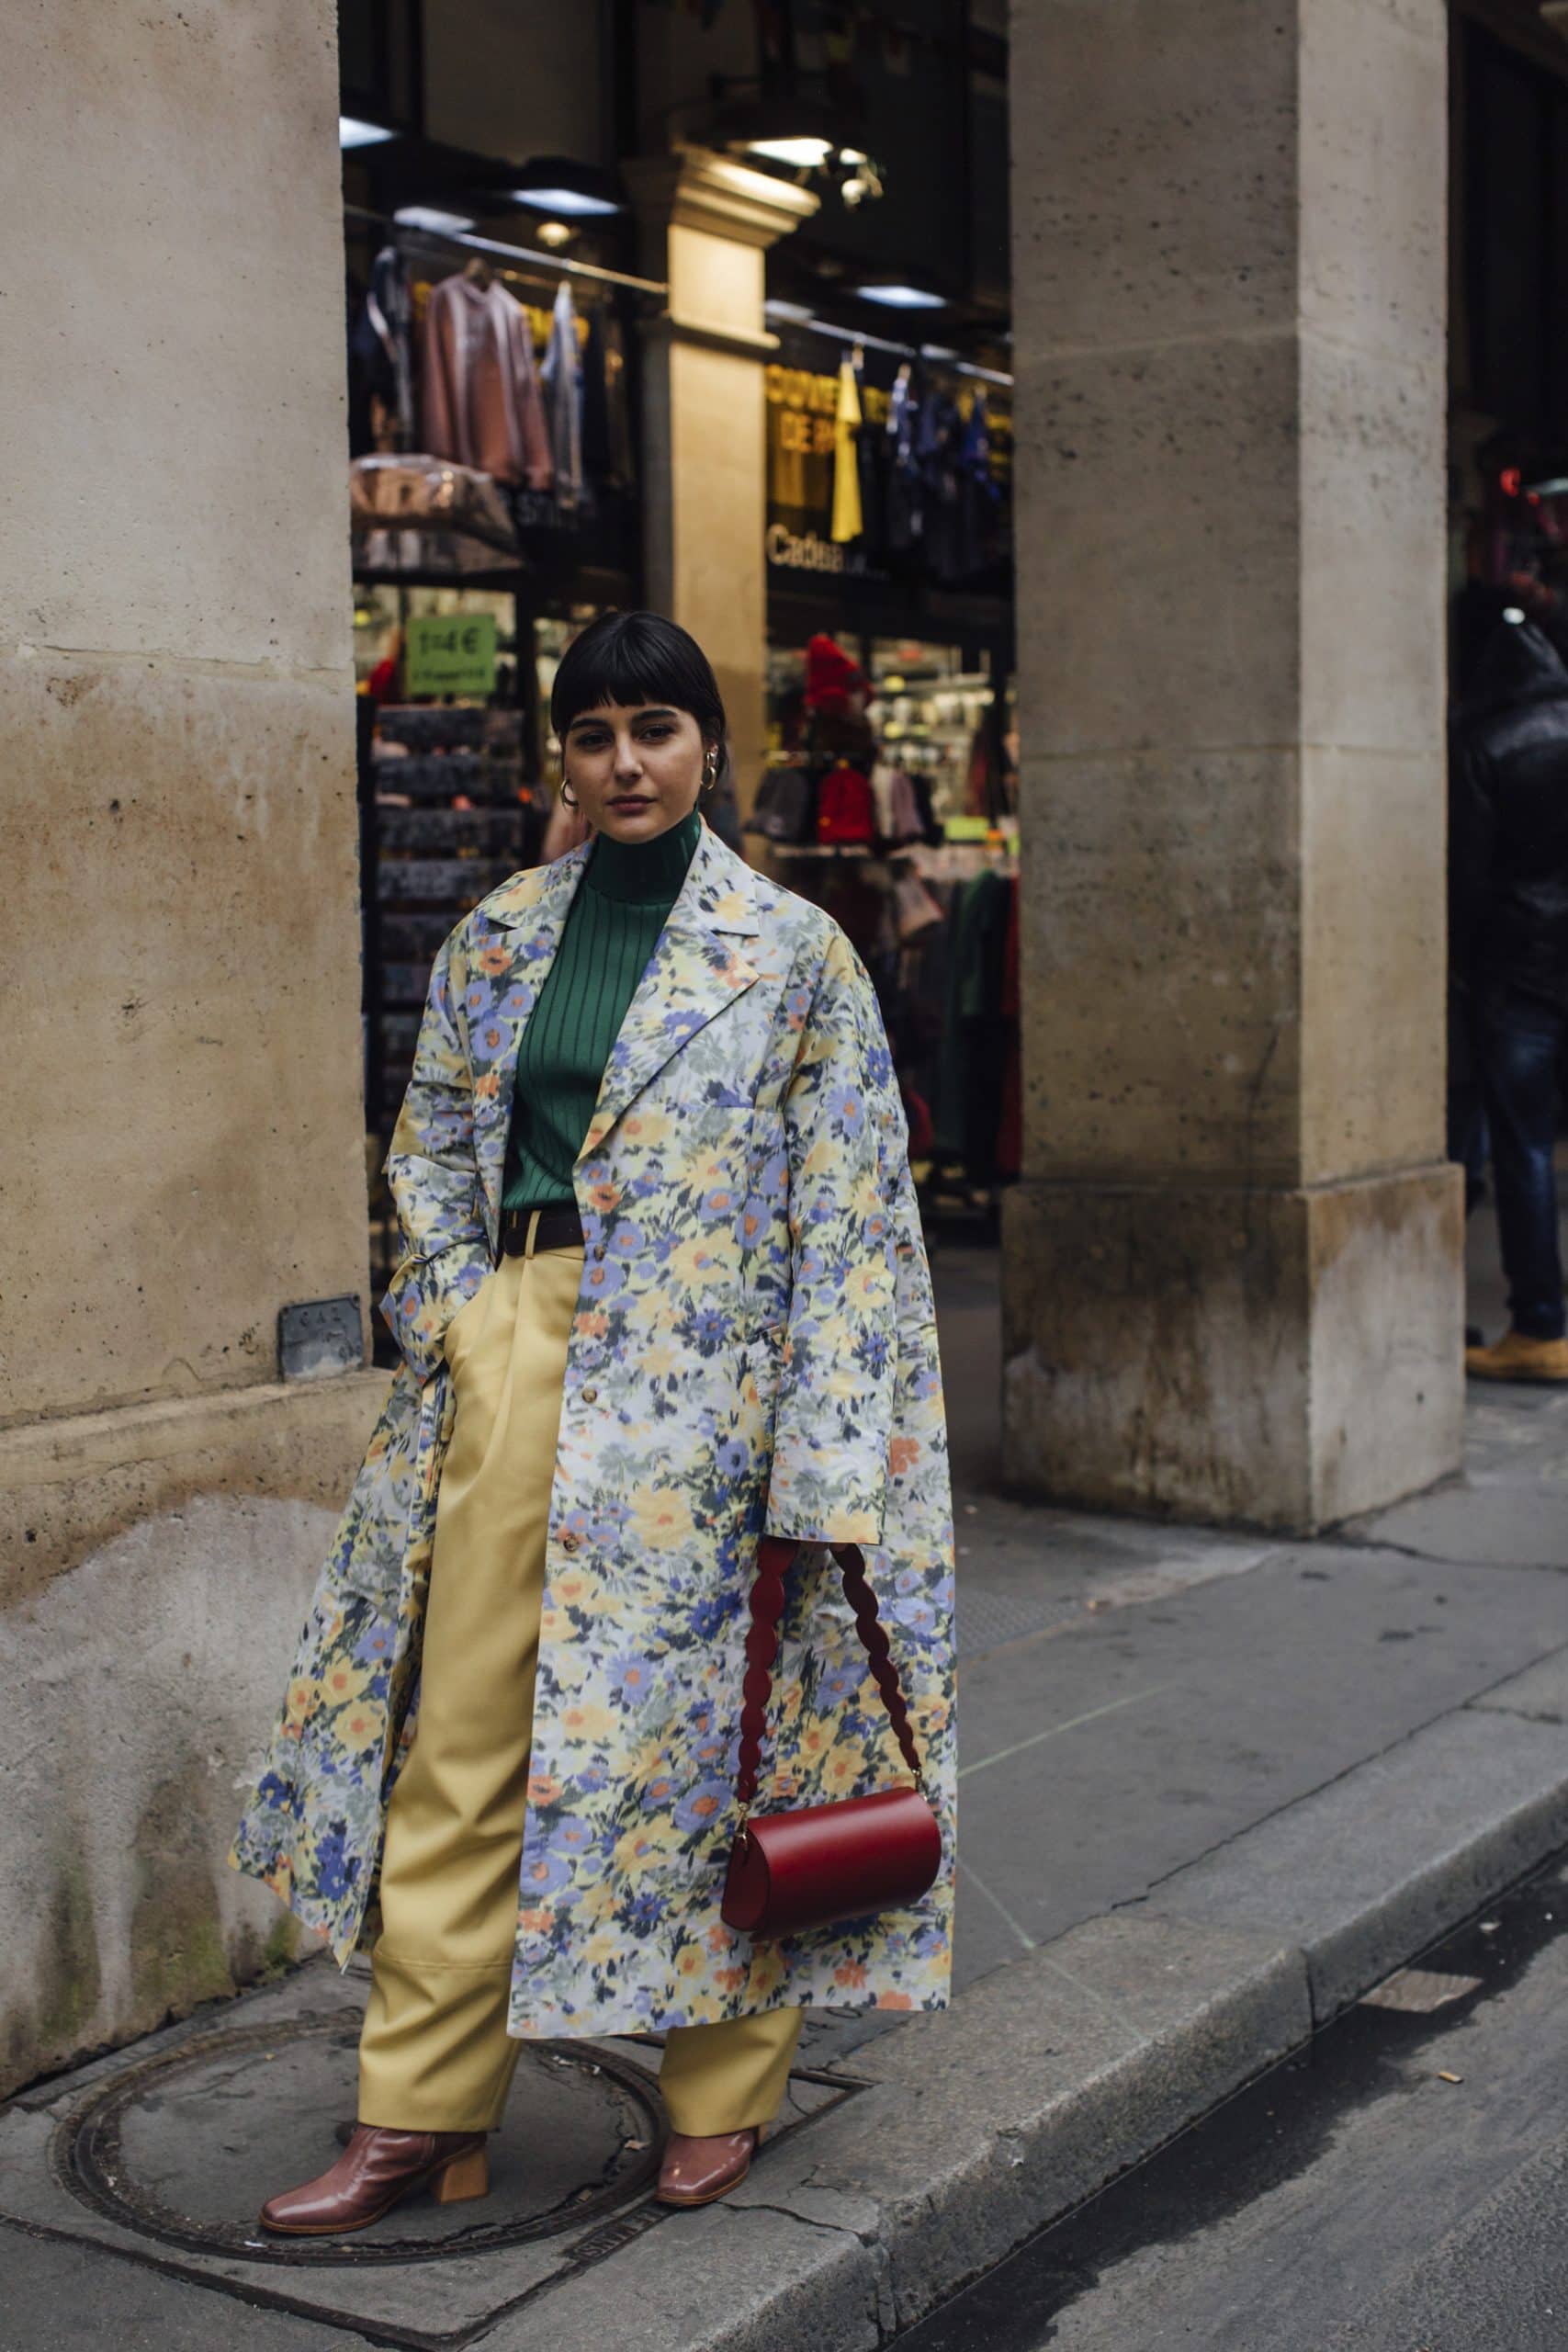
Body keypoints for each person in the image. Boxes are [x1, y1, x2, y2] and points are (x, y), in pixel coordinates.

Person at [230, 610, 957, 2232]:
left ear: (711, 748)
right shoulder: (496, 936)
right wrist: (457, 1313)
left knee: (707, 1756)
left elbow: (852, 1213)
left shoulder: (792, 955)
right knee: (463, 1746)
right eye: (593, 732)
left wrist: (823, 1460)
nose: (624, 762)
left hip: (716, 1409)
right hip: (521, 1365)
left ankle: (720, 2089)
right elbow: (422, 1141)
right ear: (556, 755)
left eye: (657, 729)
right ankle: (416, 2110)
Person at [1449, 602, 1568, 1382]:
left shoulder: (1483, 743)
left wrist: (1457, 962)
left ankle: (1539, 1327)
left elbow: (1465, 874)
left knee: (1520, 1144)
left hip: (1517, 968)